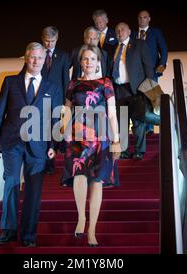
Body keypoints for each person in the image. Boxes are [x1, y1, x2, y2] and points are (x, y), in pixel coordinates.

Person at [0, 42, 60, 248]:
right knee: (11, 183)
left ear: (44, 60)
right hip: (12, 142)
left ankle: (29, 234)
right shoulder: (10, 82)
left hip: (38, 146)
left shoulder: (52, 88)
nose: (36, 61)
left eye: (40, 58)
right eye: (32, 57)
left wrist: (52, 145)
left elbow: (54, 119)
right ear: (26, 58)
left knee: (33, 192)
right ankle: (9, 231)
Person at [61, 45, 121, 247]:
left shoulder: (106, 83)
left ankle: (92, 230)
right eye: (85, 59)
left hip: (100, 138)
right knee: (78, 176)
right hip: (77, 136)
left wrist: (116, 140)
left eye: (92, 59)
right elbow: (67, 110)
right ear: (81, 62)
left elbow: (112, 113)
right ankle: (81, 218)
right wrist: (64, 128)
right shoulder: (73, 84)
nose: (88, 63)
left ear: (98, 61)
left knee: (96, 182)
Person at [111, 22, 153, 160]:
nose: (119, 32)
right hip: (119, 89)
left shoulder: (139, 45)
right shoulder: (113, 48)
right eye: (117, 30)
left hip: (136, 89)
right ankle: (123, 150)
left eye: (122, 29)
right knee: (122, 121)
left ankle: (139, 151)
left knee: (138, 121)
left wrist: (147, 89)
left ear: (129, 31)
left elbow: (149, 68)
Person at [41, 26, 70, 174]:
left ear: (57, 39)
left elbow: (66, 79)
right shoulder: (38, 54)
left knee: (54, 130)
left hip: (57, 99)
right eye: (46, 41)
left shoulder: (64, 56)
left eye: (52, 41)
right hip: (39, 100)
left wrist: (67, 101)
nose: (49, 44)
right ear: (42, 39)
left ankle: (55, 156)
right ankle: (48, 163)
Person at [132, 10, 167, 133]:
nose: (142, 19)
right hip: (136, 73)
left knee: (152, 98)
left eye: (145, 17)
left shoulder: (155, 32)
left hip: (151, 71)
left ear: (149, 19)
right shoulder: (133, 34)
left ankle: (150, 127)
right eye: (140, 17)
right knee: (139, 99)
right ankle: (141, 126)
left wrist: (162, 64)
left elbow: (163, 49)